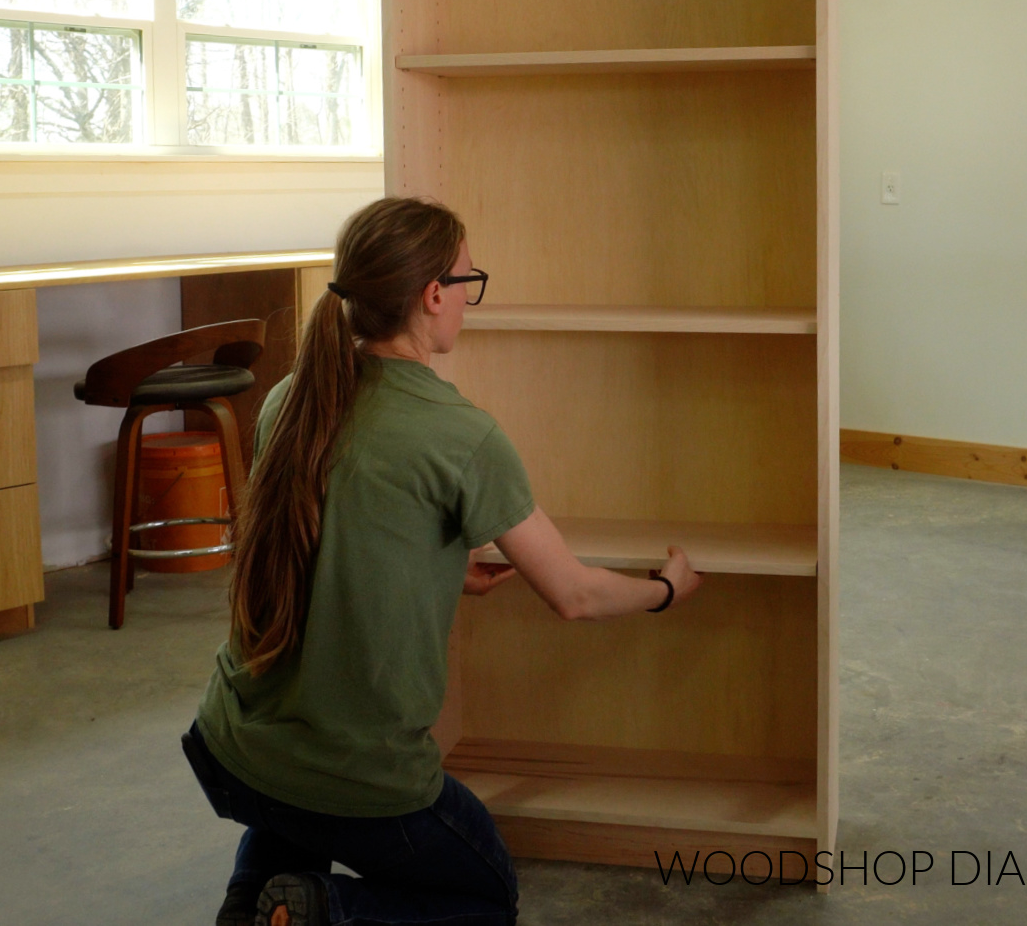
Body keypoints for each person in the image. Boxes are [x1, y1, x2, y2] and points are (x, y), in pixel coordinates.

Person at [182, 196, 702, 926]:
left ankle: (255, 906)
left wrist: (439, 568)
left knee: (293, 808)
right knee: (484, 896)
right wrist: (666, 589)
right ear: (433, 295)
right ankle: (324, 910)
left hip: (232, 747)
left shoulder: (291, 400)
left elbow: (327, 535)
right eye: (467, 280)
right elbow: (575, 593)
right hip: (358, 774)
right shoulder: (460, 435)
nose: (467, 296)